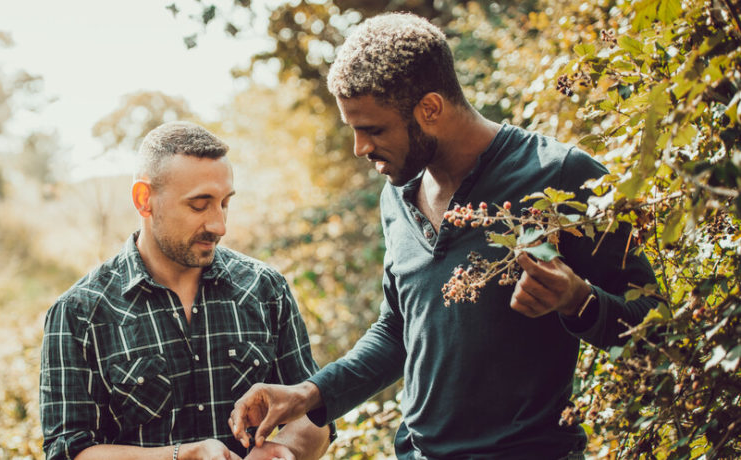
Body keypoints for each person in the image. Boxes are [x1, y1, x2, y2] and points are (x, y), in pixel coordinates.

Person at [227, 13, 659, 460]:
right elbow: (398, 331)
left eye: (373, 129)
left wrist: (578, 300)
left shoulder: (561, 175)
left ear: (430, 109)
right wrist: (307, 394)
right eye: (353, 129)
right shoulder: (395, 197)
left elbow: (658, 325)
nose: (360, 148)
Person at [40, 121, 332, 460]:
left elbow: (314, 413)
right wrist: (182, 456)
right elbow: (69, 451)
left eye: (224, 203)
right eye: (199, 205)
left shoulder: (265, 289)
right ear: (144, 199)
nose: (219, 225)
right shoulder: (80, 313)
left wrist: (287, 452)